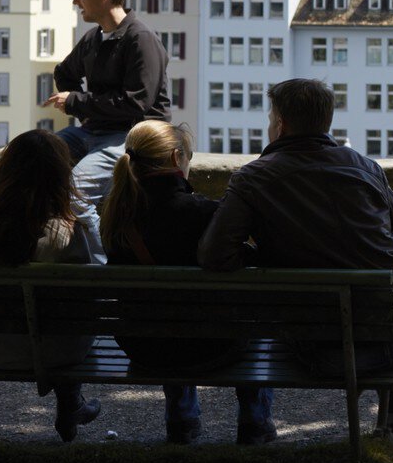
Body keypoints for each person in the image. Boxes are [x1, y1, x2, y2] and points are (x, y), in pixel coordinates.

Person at [198, 79, 393, 440]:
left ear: (280, 123)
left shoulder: (252, 178)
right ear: (326, 122)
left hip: (317, 343)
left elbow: (215, 255)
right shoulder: (365, 166)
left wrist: (267, 253)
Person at [99, 121, 277, 445]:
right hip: (212, 347)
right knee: (252, 313)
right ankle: (255, 419)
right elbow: (251, 262)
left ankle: (181, 419)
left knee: (163, 314)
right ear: (174, 157)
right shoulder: (205, 213)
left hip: (144, 348)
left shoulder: (115, 217)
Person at [0, 130, 107, 442]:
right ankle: (71, 402)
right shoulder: (70, 233)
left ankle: (73, 404)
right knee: (64, 321)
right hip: (61, 354)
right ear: (61, 177)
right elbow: (89, 299)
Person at [46, 0, 171, 163]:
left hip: (132, 137)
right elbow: (64, 73)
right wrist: (84, 112)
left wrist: (75, 102)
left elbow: (135, 103)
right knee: (30, 158)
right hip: (92, 131)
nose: (75, 1)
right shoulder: (92, 38)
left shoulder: (141, 39)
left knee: (77, 184)